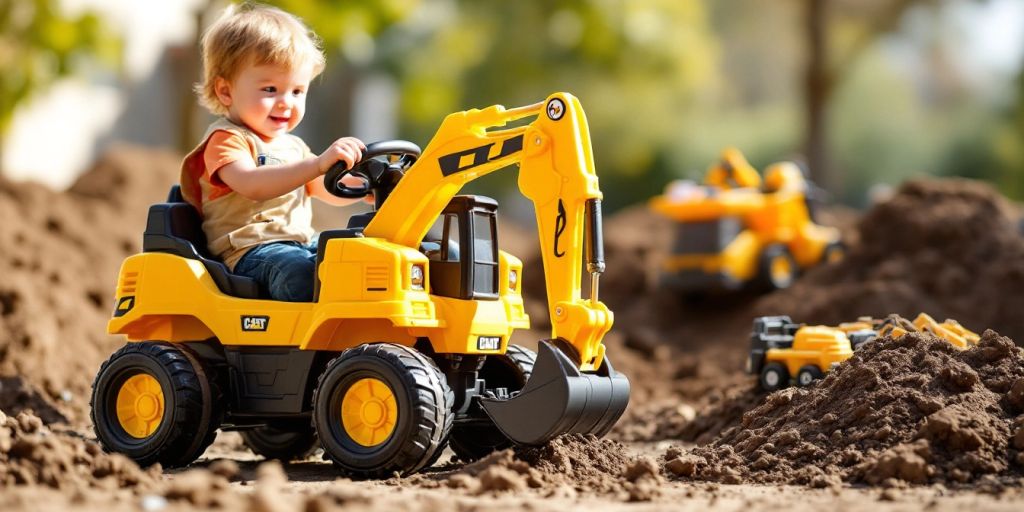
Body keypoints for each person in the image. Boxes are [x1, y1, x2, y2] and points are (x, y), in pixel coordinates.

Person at [180, 3, 367, 302]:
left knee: (356, 254)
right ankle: (311, 340)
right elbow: (253, 185)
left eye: (297, 91)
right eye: (270, 89)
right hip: (247, 252)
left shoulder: (292, 146)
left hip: (299, 243)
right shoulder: (226, 140)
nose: (286, 103)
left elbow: (323, 188)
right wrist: (318, 164)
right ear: (225, 91)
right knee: (298, 275)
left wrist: (362, 188)